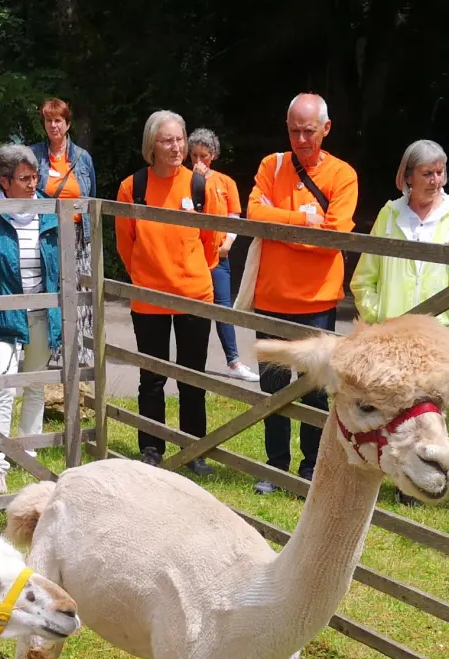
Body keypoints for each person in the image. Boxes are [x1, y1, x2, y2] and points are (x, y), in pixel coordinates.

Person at [244, 93, 359, 494]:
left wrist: (286, 230)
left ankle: (312, 467)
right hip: (271, 297)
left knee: (313, 391)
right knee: (272, 389)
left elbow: (333, 237)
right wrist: (301, 221)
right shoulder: (270, 165)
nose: (301, 138)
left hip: (316, 302)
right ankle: (275, 467)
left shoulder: (343, 175)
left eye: (308, 131)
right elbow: (255, 215)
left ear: (326, 129)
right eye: (294, 130)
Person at [117, 110, 226, 473]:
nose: (177, 146)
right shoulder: (133, 187)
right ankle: (151, 447)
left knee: (192, 378)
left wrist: (189, 276)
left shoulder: (201, 186)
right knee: (152, 377)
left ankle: (194, 449)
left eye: (180, 139)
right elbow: (124, 242)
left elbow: (212, 241)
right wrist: (149, 277)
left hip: (194, 297)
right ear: (152, 145)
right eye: (167, 140)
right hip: (149, 300)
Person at [0, 143, 63, 495]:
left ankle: (30, 454)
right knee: (3, 386)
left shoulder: (49, 209)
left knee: (35, 386)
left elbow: (61, 260)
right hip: (4, 315)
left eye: (35, 176)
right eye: (24, 178)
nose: (32, 183)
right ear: (3, 181)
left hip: (42, 312)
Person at [351, 139, 449, 329]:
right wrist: (378, 315)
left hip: (437, 335)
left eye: (440, 172)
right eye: (427, 174)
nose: (436, 181)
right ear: (408, 177)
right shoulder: (389, 214)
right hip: (390, 332)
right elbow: (363, 280)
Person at [29, 98, 96, 368]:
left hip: (79, 234)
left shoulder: (83, 158)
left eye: (58, 120)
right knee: (50, 288)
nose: (53, 125)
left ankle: (80, 352)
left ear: (68, 124)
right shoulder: (33, 156)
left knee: (81, 290)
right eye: (48, 120)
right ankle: (51, 352)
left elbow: (92, 197)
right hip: (47, 233)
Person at [188, 128, 257, 382]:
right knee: (193, 312)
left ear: (213, 155)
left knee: (223, 308)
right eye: (193, 155)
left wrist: (228, 242)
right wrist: (196, 183)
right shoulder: (186, 180)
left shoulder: (226, 182)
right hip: (193, 255)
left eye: (203, 156)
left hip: (218, 256)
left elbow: (234, 216)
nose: (198, 162)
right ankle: (193, 363)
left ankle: (234, 361)